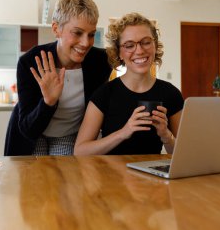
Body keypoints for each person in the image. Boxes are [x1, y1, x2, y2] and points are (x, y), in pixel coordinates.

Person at [4, 0, 111, 156]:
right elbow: (28, 129)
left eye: (91, 34)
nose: (85, 43)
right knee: (37, 177)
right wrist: (48, 101)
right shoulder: (31, 62)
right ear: (56, 29)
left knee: (63, 178)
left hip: (68, 134)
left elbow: (131, 54)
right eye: (77, 32)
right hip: (33, 134)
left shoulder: (101, 61)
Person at [74, 12, 184, 155]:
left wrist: (165, 135)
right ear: (119, 52)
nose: (139, 51)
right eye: (129, 45)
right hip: (110, 175)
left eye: (146, 42)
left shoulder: (171, 94)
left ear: (155, 45)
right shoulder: (104, 94)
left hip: (151, 176)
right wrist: (123, 133)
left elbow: (184, 155)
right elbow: (80, 151)